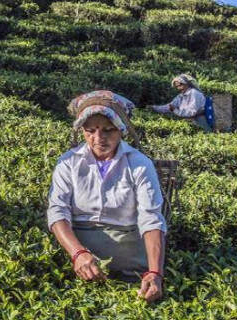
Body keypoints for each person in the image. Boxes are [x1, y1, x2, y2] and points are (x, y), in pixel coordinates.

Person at [48, 92, 167, 302]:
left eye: (108, 130)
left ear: (121, 130)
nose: (98, 138)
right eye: (90, 130)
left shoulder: (139, 163)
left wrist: (155, 273)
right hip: (75, 255)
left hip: (129, 260)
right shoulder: (68, 162)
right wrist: (78, 254)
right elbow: (58, 212)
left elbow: (151, 219)